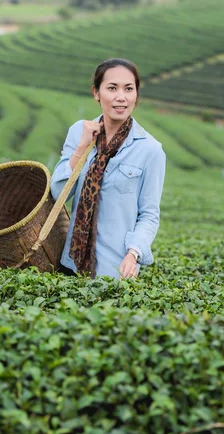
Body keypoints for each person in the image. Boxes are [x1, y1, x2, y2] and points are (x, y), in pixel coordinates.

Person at [50, 58, 166, 279]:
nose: (121, 97)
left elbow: (149, 215)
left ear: (136, 95)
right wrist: (83, 147)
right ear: (96, 93)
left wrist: (134, 254)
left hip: (115, 271)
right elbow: (57, 194)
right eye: (112, 88)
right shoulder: (79, 132)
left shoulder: (150, 150)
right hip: (69, 265)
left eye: (128, 89)